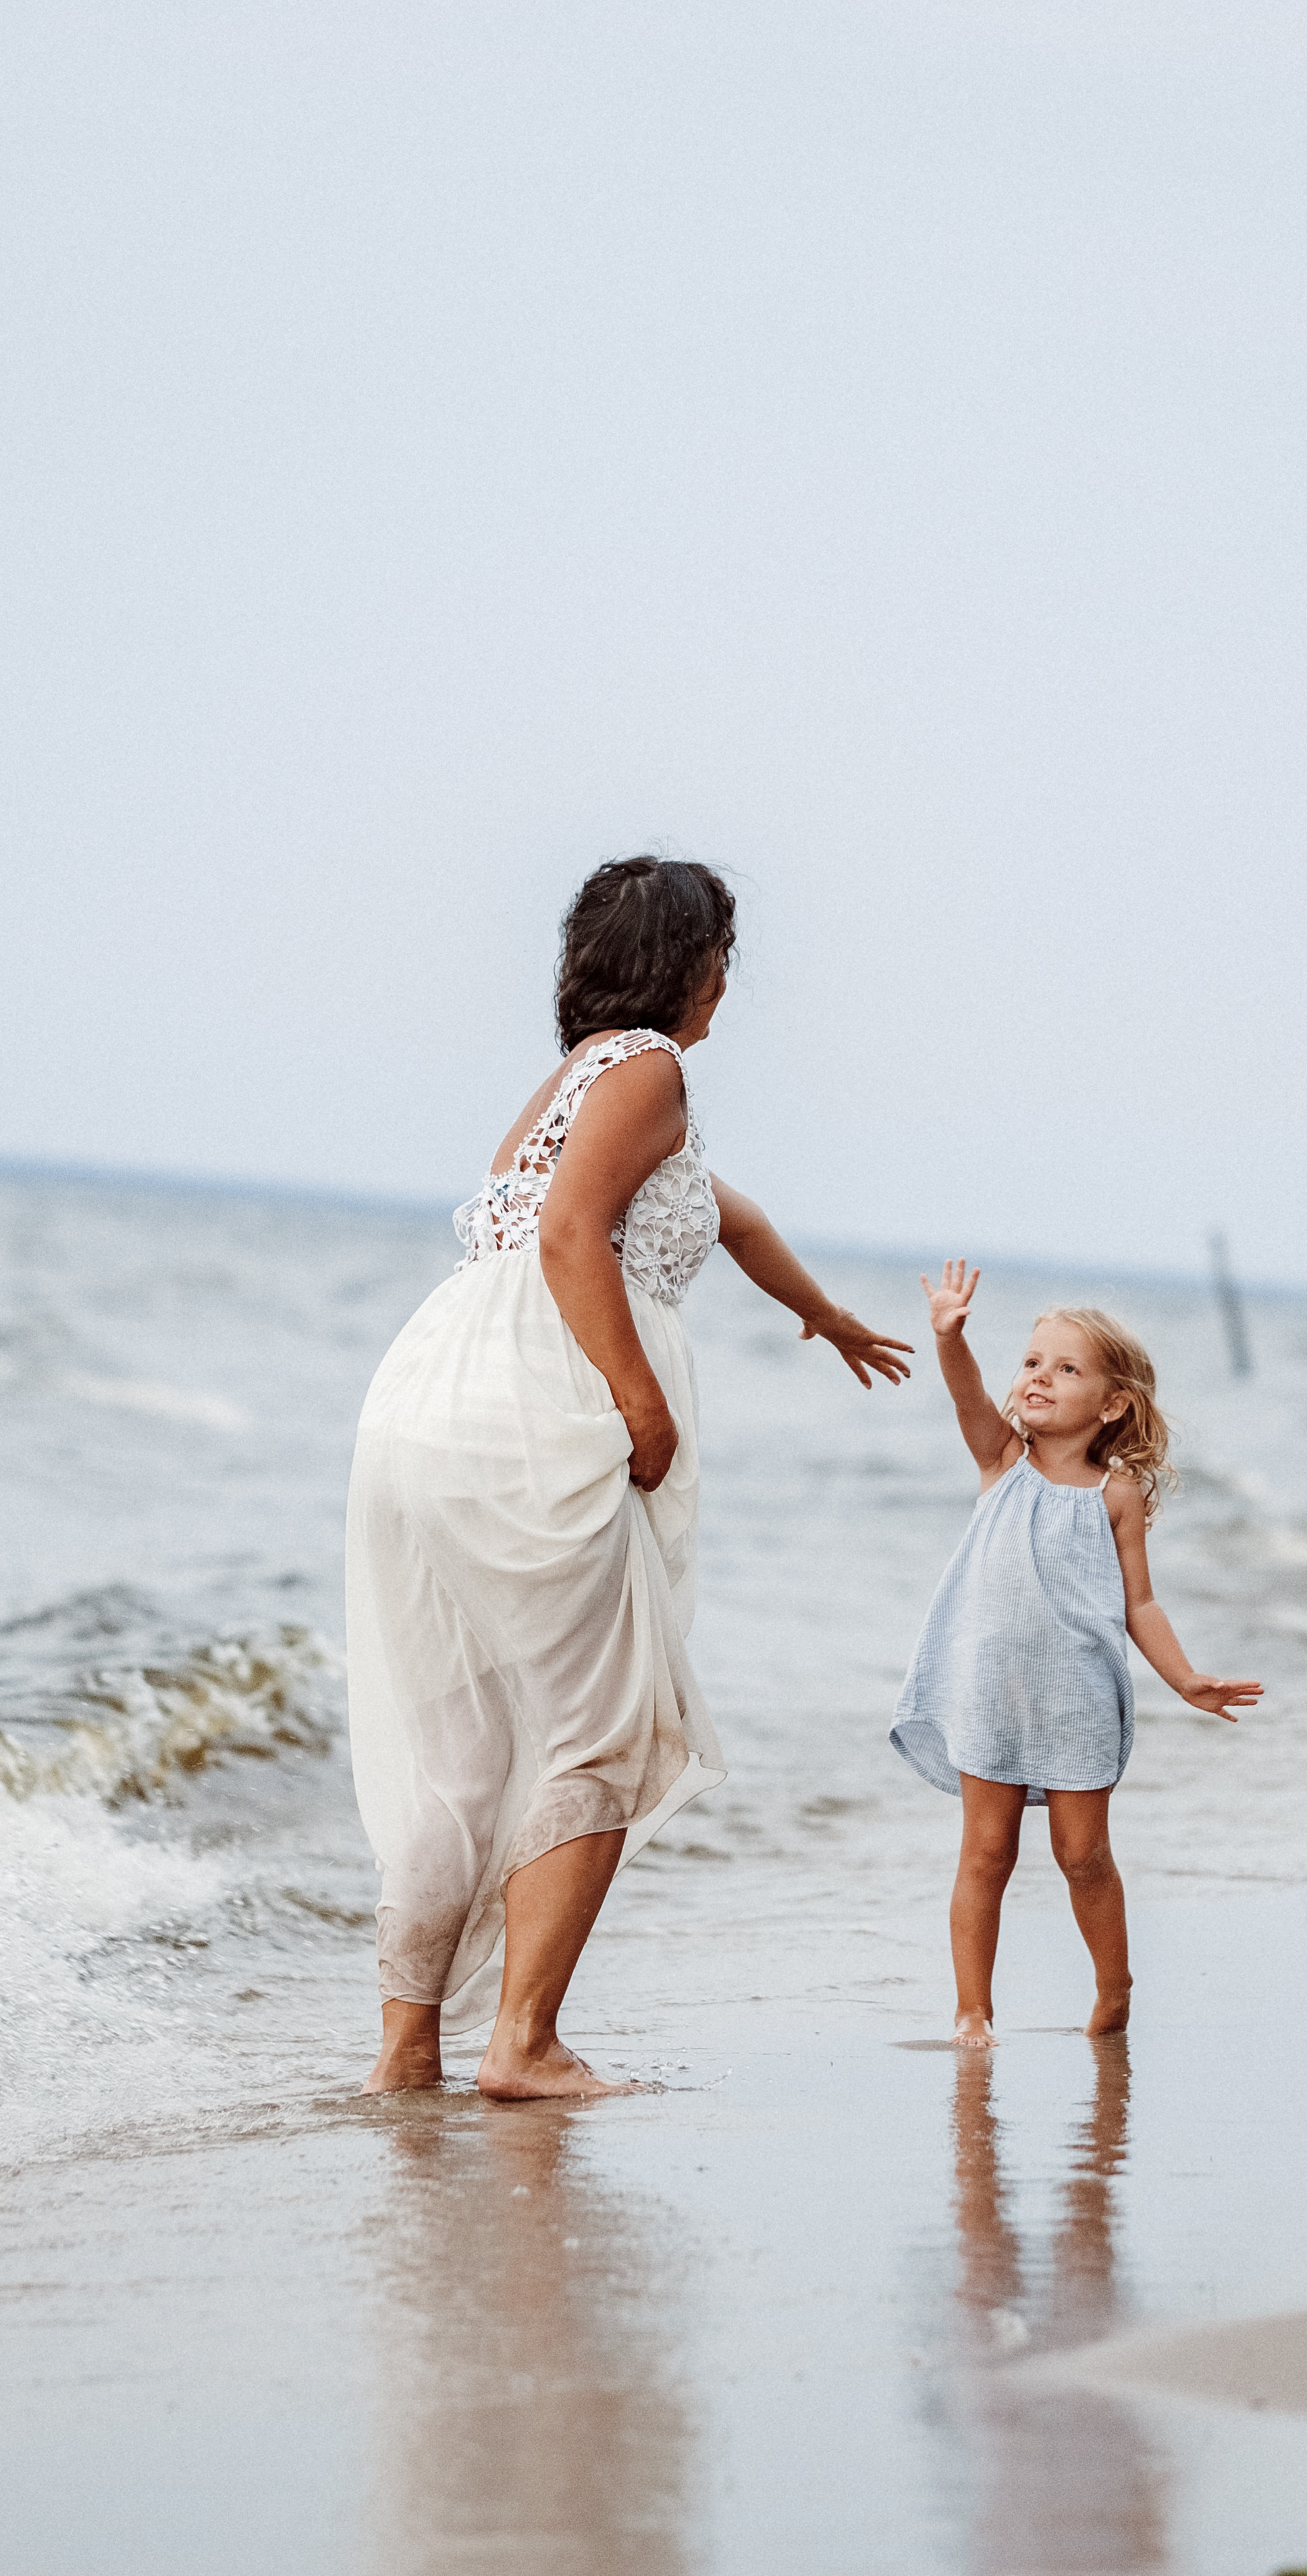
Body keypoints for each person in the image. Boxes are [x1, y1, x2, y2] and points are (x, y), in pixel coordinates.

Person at [347, 856, 913, 2099]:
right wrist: (639, 1405)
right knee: (606, 1725)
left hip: (424, 1411)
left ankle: (407, 2053)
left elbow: (728, 1218)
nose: (729, 981)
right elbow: (569, 1237)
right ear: (687, 963)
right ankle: (526, 2045)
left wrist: (826, 1319)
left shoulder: (577, 1082)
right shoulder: (652, 1071)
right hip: (532, 1412)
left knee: (468, 1753)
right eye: (723, 956)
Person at [890, 1263, 1262, 2046]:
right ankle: (972, 2011)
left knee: (1082, 1855)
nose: (1038, 1378)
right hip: (988, 1690)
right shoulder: (1001, 1461)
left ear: (1112, 1403)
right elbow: (963, 1394)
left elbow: (1139, 1604)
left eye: (1065, 1369)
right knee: (985, 1853)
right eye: (1031, 1363)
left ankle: (1113, 1986)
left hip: (1077, 1695)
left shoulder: (1115, 1494)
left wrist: (1186, 1679)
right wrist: (948, 1336)